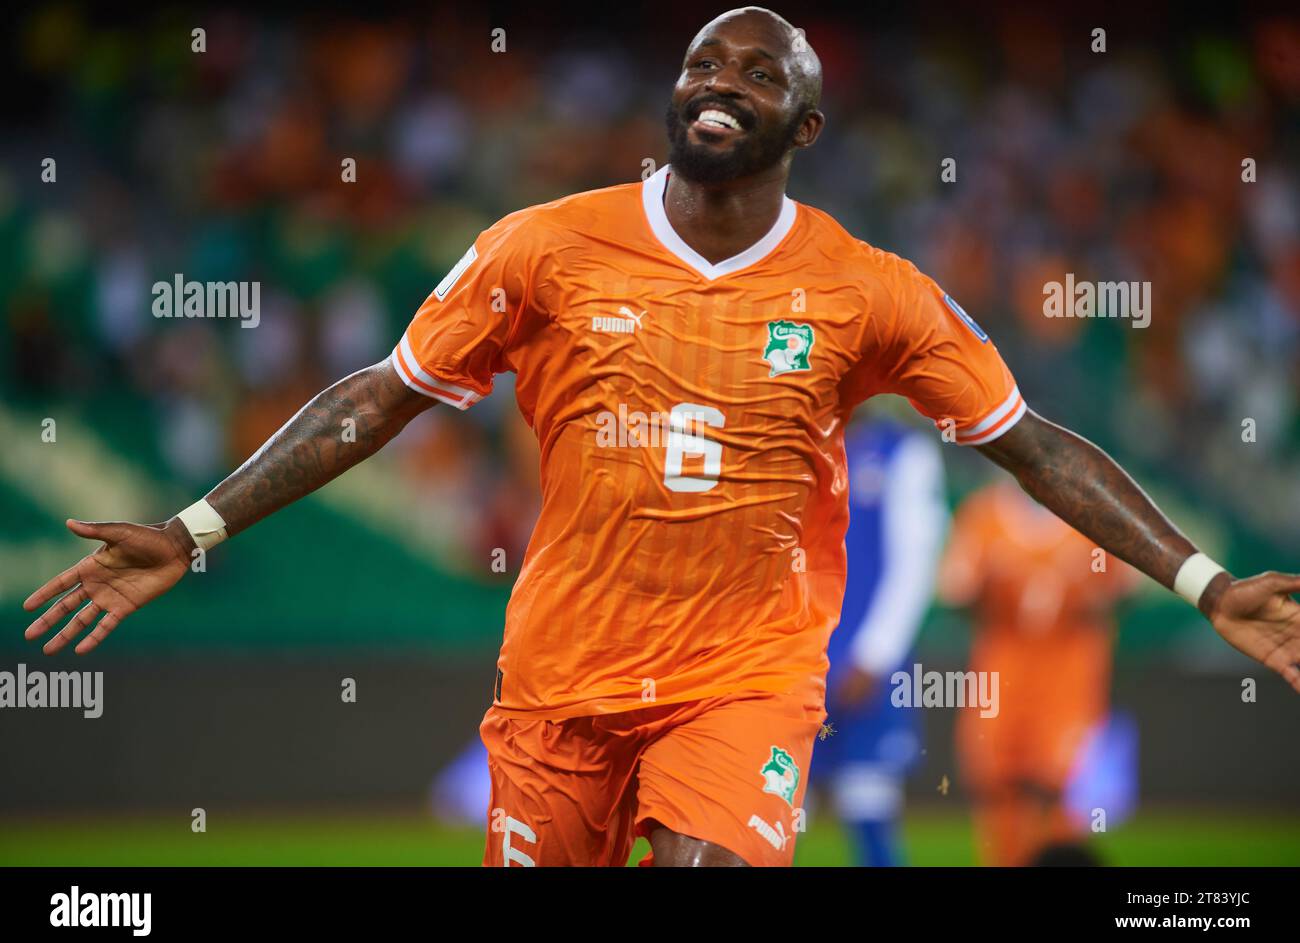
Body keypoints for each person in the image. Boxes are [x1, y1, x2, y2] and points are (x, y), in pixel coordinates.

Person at [22, 7, 1300, 867]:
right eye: (704, 64)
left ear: (805, 130)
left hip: (743, 681)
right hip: (559, 686)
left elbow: (1035, 446)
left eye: (758, 75)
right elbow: (377, 396)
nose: (720, 83)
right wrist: (192, 529)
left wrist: (1203, 581)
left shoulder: (870, 291)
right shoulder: (542, 246)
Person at [939, 480, 1138, 866]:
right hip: (1003, 671)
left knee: (1066, 786)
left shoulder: (1092, 513)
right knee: (998, 782)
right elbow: (954, 590)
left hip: (1070, 674)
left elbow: (1125, 587)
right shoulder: (983, 514)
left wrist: (1088, 600)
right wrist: (984, 592)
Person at [815, 414, 947, 866]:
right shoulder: (798, 438)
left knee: (868, 798)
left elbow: (915, 563)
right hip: (795, 659)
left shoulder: (904, 452)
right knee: (777, 807)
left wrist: (875, 655)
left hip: (863, 663)